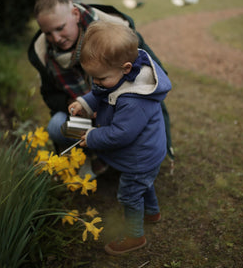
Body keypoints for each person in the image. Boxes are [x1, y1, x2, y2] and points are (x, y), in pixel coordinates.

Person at [28, 0, 174, 176]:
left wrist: (118, 101)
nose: (55, 38)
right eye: (47, 33)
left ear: (74, 13)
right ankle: (89, 155)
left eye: (60, 28)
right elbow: (49, 95)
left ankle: (125, 159)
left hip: (119, 114)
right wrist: (71, 103)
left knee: (128, 129)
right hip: (86, 115)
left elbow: (153, 75)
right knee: (57, 126)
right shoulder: (44, 54)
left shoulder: (113, 33)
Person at [68, 21, 171, 255]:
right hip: (145, 154)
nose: (96, 83)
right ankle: (151, 212)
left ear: (126, 68)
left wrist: (92, 137)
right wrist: (83, 103)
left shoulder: (134, 99)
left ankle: (135, 236)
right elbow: (101, 93)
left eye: (100, 78)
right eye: (93, 77)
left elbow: (121, 134)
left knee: (129, 194)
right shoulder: (117, 76)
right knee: (143, 183)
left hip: (141, 155)